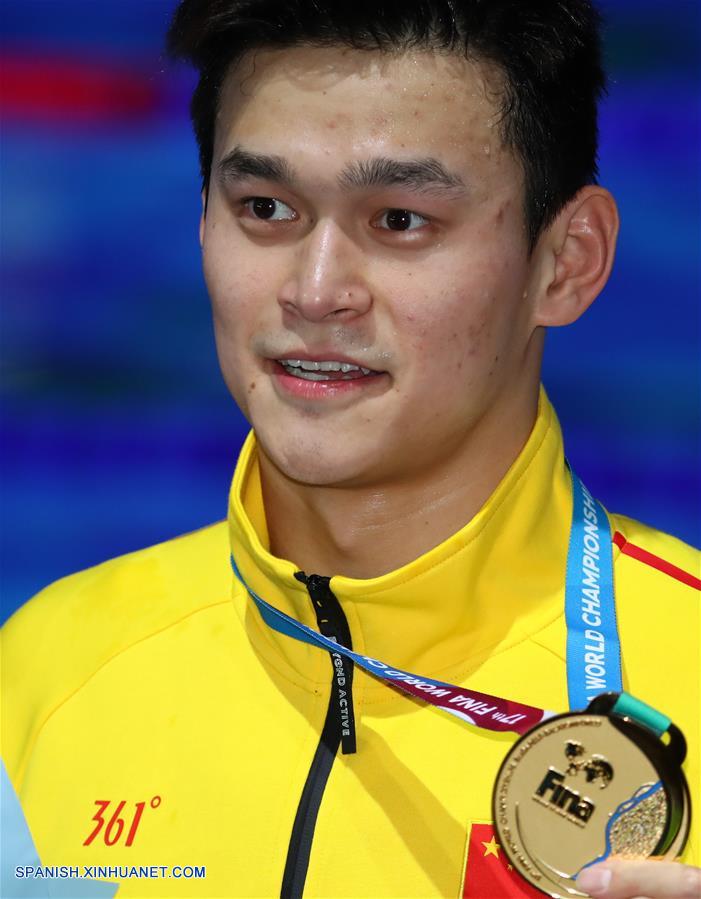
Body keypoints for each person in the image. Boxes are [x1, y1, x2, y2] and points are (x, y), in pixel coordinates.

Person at [2, 1, 699, 897]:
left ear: (565, 260)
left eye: (399, 220)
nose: (315, 289)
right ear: (203, 221)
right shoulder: (49, 671)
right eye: (265, 208)